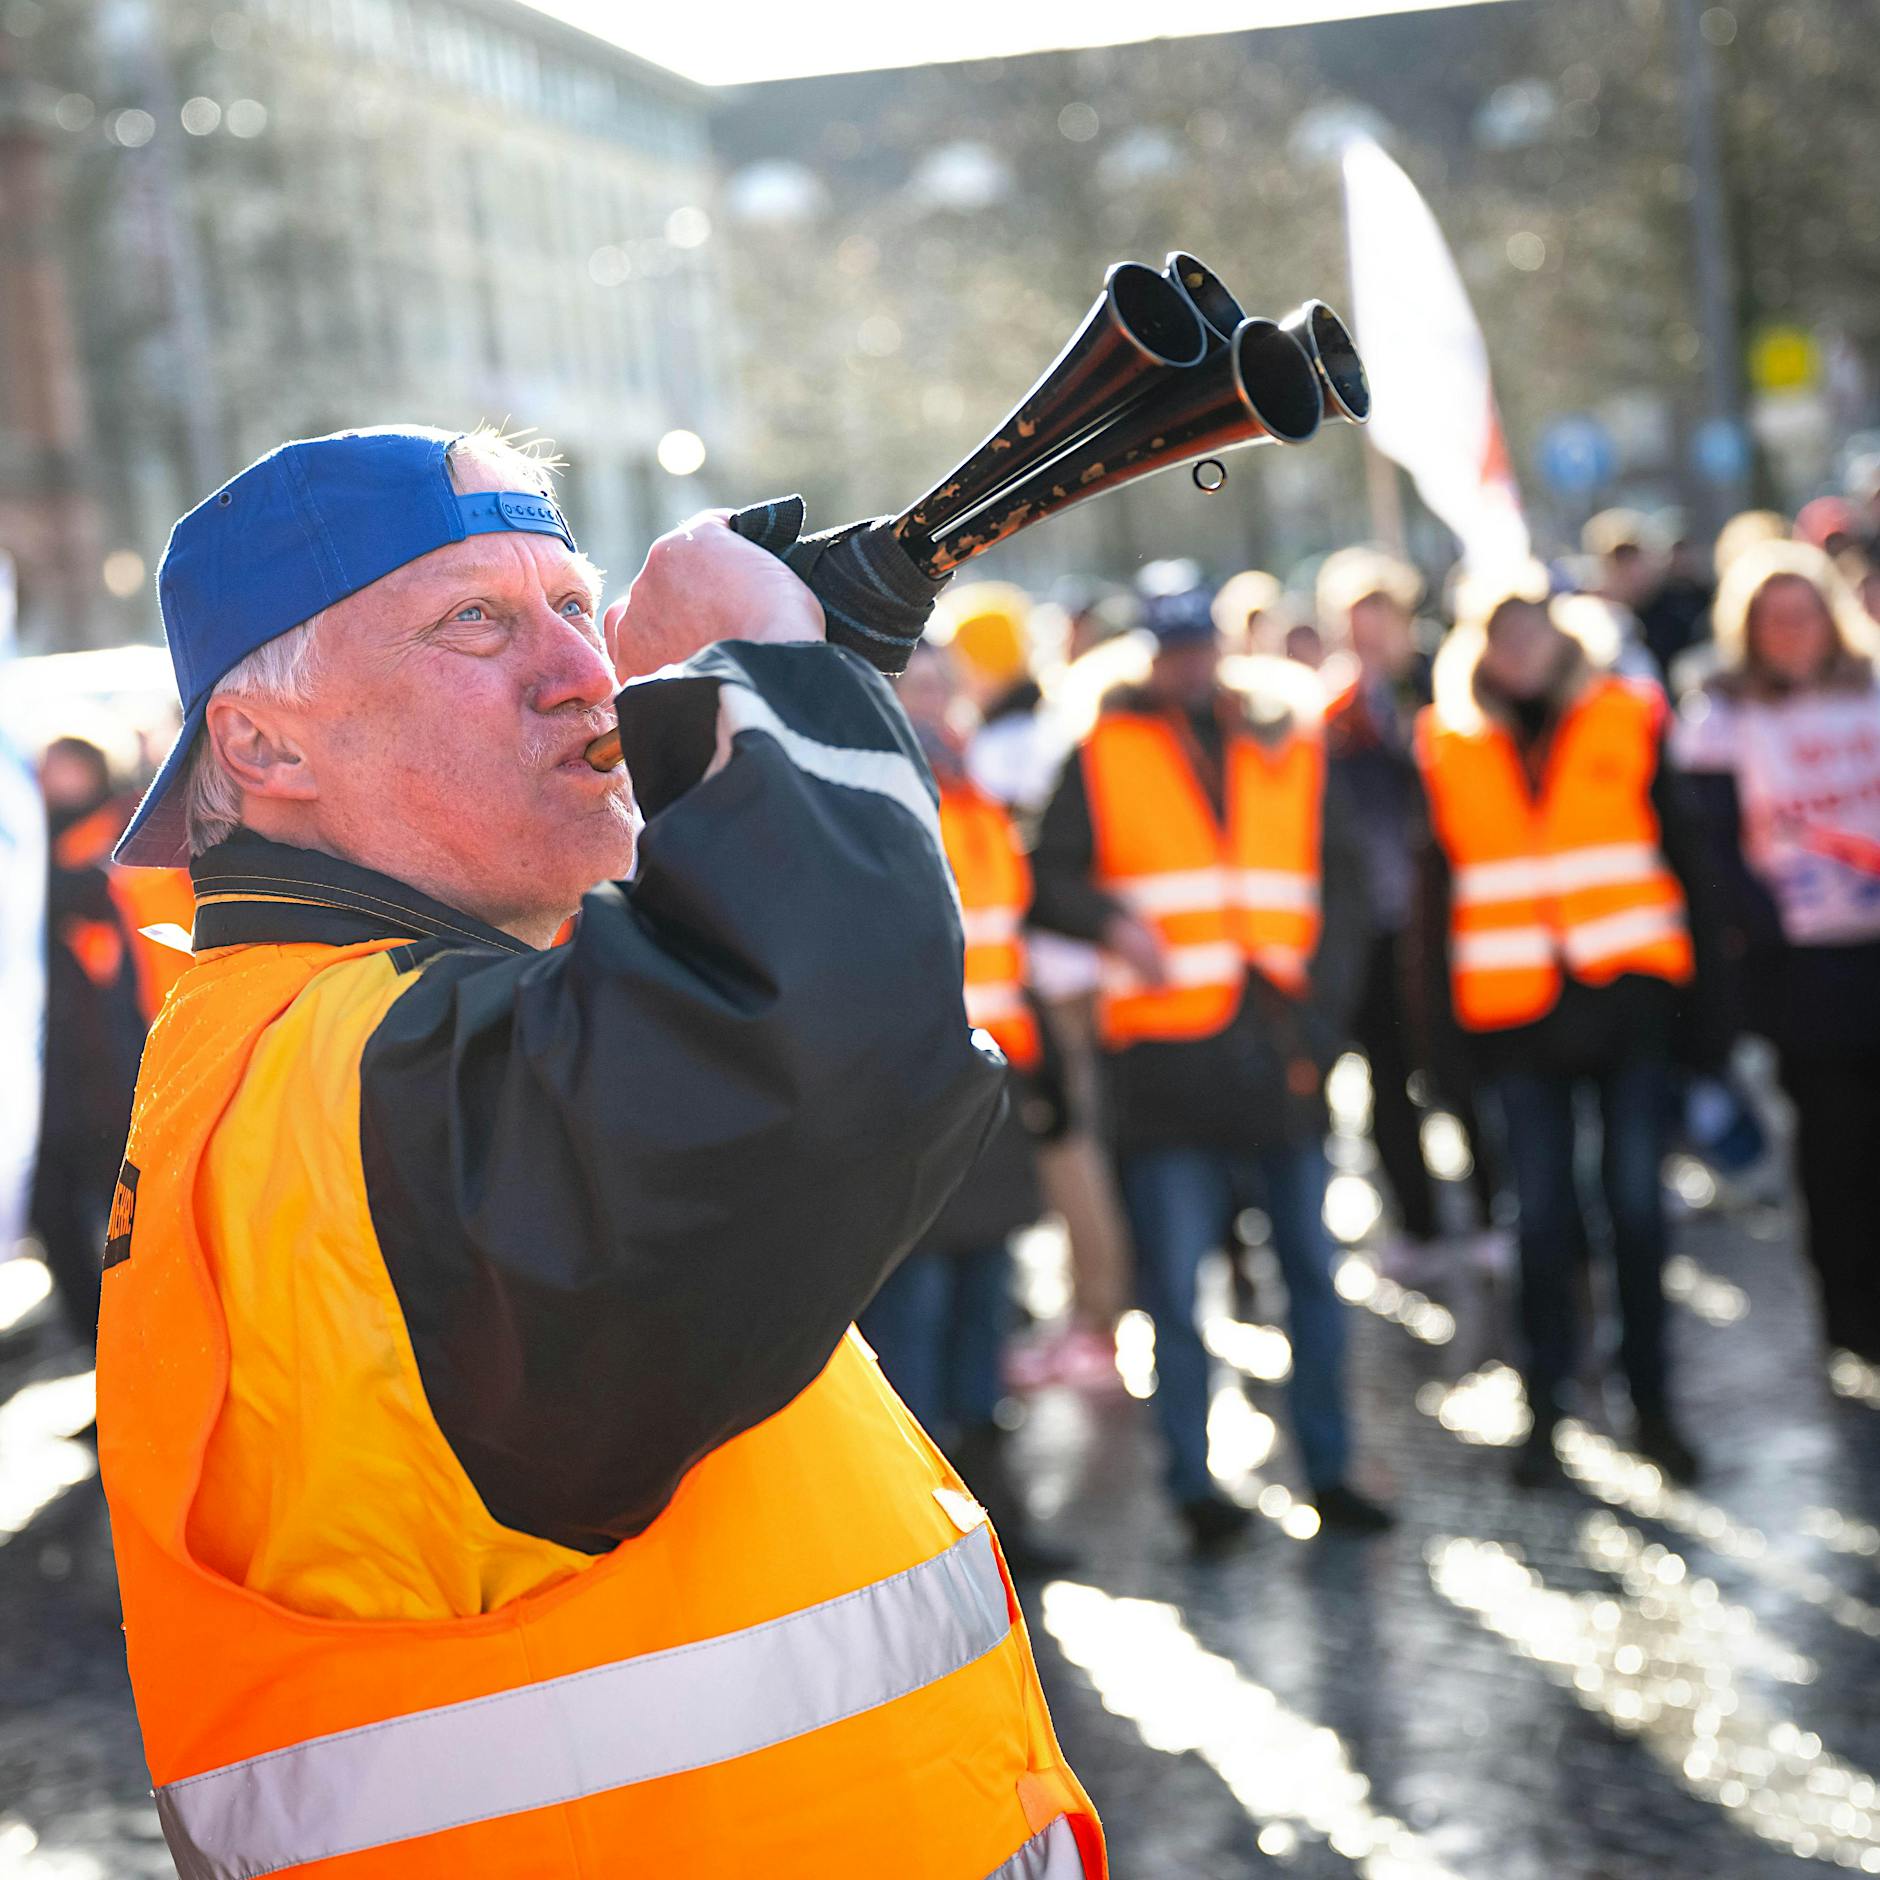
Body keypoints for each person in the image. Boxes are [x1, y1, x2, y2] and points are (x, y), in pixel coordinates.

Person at [96, 425, 1103, 1880]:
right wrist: (773, 685)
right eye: (475, 622)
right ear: (262, 745)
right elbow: (819, 1056)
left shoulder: (349, 1033)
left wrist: (722, 728)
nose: (583, 671)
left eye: (575, 605)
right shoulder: (336, 1077)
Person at [1031, 586, 1391, 1549]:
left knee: (1312, 1276)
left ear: (1222, 648)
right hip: (1164, 1061)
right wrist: (1111, 923)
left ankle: (1330, 1470)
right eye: (1171, 649)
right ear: (1148, 655)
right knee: (1176, 1294)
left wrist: (1323, 1016)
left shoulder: (1288, 739)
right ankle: (1194, 1488)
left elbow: (1344, 885)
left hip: (1279, 1049)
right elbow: (1045, 875)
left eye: (1200, 645)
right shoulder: (1102, 748)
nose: (1188, 664)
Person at [1412, 567, 1726, 1488]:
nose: (1520, 646)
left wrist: (1711, 1014)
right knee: (1540, 1221)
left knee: (1637, 1210)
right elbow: (1432, 909)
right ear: (1478, 642)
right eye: (1501, 629)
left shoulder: (1628, 713)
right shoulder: (1447, 740)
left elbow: (1688, 860)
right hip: (1515, 1019)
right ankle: (1545, 1409)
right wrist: (1439, 1050)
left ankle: (1651, 1404)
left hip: (1629, 1006)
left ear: (1562, 631)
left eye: (1533, 626)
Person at [863, 640, 1074, 1570]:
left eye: (943, 686)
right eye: (915, 684)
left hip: (986, 1093)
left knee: (984, 1318)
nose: (934, 702)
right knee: (916, 1323)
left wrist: (1043, 1072)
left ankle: (996, 1527)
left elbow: (1003, 948)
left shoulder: (971, 794)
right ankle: (921, 1546)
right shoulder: (869, 795)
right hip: (910, 1102)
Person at [1673, 540, 1880, 1363]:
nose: (1793, 632)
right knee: (1833, 1146)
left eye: (1805, 615)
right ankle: (1850, 1316)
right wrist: (1767, 925)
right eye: (1775, 620)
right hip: (1801, 968)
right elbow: (1712, 852)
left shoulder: (1870, 691)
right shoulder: (1721, 720)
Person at [1315, 547, 1500, 1282]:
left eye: (1379, 622)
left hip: (1446, 919)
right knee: (1387, 1080)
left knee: (1461, 1071)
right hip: (1371, 926)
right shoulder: (1330, 713)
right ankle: (1417, 1222)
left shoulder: (1449, 688)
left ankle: (1491, 1210)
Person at [35, 735, 146, 1340]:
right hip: (56, 1064)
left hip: (116, 1051)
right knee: (54, 1200)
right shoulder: (37, 842)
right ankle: (95, 1338)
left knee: (123, 1198)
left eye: (68, 767)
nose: (55, 779)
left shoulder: (121, 830)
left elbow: (96, 898)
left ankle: (135, 1330)